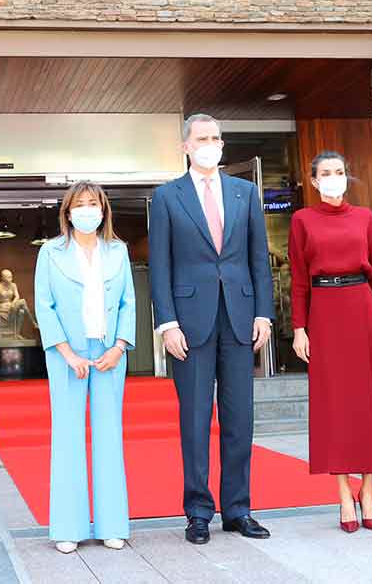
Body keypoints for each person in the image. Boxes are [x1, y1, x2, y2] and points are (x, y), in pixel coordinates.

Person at [149, 113, 275, 545]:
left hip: (240, 319)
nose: (211, 144)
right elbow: (160, 266)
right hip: (190, 323)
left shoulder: (245, 192)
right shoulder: (167, 197)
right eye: (202, 138)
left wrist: (264, 313)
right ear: (186, 145)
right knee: (196, 420)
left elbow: (259, 259)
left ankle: (238, 509)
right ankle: (198, 511)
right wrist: (166, 323)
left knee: (241, 419)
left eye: (217, 138)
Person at [288, 151, 372, 533]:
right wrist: (299, 328)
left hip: (362, 314)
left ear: (347, 176)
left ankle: (369, 492)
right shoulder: (301, 220)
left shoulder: (364, 218)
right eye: (325, 173)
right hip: (324, 316)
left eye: (339, 172)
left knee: (370, 405)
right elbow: (297, 277)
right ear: (313, 181)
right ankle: (344, 495)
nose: (332, 178)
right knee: (335, 409)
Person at [34, 180, 136, 554]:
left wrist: (121, 347)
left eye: (93, 203)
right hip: (66, 354)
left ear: (103, 209)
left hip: (109, 352)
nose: (87, 210)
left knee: (109, 433)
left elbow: (128, 302)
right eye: (80, 204)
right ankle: (68, 527)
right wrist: (68, 353)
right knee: (68, 434)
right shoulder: (50, 252)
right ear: (67, 211)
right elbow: (44, 306)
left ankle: (113, 524)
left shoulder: (118, 251)